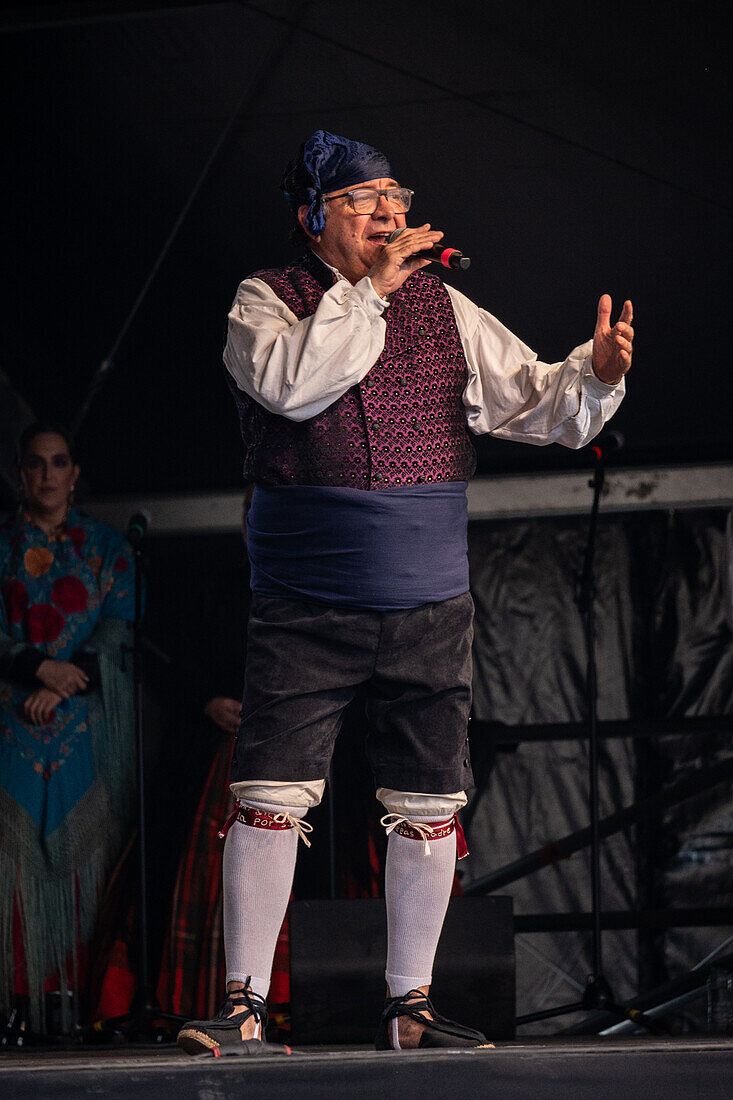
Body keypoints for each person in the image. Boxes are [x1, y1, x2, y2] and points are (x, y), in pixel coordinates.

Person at [177, 129, 633, 1055]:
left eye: (396, 194)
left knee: (429, 799)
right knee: (271, 792)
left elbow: (534, 400)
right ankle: (243, 1004)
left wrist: (596, 375)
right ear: (315, 216)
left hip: (428, 600)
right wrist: (372, 293)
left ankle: (410, 1007)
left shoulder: (444, 307)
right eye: (365, 198)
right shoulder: (265, 302)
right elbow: (295, 388)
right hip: (307, 602)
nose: (391, 213)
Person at [0, 424, 136, 1038]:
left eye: (59, 463)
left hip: (84, 728)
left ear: (75, 472)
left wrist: (61, 681)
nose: (48, 475)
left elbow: (120, 628)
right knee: (12, 870)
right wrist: (36, 669)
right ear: (20, 473)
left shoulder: (109, 549)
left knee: (85, 867)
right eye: (36, 464)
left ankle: (80, 1008)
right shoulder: (0, 545)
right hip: (11, 724)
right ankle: (15, 1006)